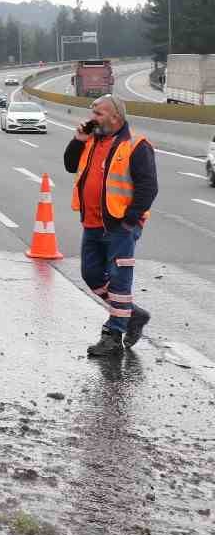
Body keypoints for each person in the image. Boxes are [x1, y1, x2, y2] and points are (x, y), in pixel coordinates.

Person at [64, 94, 158, 357]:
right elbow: (70, 165)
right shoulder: (92, 141)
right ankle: (133, 314)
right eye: (92, 111)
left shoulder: (136, 145)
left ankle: (113, 335)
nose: (92, 117)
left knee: (118, 280)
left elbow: (149, 187)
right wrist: (78, 140)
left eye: (98, 113)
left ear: (116, 117)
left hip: (120, 227)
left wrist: (130, 220)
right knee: (91, 274)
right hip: (92, 223)